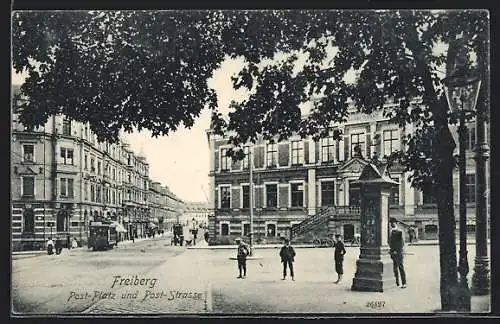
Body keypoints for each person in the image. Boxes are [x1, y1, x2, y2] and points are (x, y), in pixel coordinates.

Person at [389, 218, 407, 288]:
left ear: (396, 223)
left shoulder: (399, 231)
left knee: (400, 267)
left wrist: (397, 250)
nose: (392, 224)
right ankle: (397, 283)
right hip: (393, 252)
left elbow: (401, 243)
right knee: (394, 268)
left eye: (393, 223)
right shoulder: (390, 231)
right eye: (391, 223)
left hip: (398, 252)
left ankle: (404, 283)